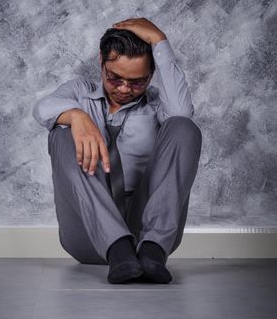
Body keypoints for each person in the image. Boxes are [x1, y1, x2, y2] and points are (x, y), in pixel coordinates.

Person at [32, 17, 202, 284]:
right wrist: (76, 117)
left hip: (146, 236)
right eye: (115, 78)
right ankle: (117, 247)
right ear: (102, 61)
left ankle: (152, 251)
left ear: (151, 74)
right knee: (62, 133)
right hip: (87, 234)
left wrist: (159, 41)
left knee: (184, 127)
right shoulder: (80, 91)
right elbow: (42, 109)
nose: (124, 89)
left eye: (137, 82)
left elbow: (182, 112)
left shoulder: (158, 105)